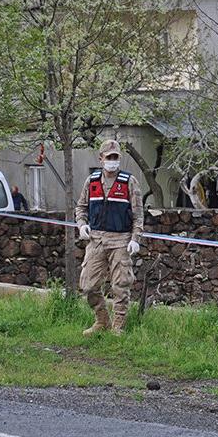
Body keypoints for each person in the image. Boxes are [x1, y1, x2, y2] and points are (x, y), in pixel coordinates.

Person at [75, 140, 144, 336]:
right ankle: (102, 320)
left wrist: (135, 238)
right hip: (96, 239)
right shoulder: (92, 181)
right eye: (109, 157)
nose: (112, 161)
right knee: (88, 285)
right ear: (101, 159)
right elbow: (81, 207)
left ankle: (118, 326)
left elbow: (138, 214)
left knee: (121, 285)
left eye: (116, 157)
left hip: (121, 239)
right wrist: (82, 225)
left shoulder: (129, 181)